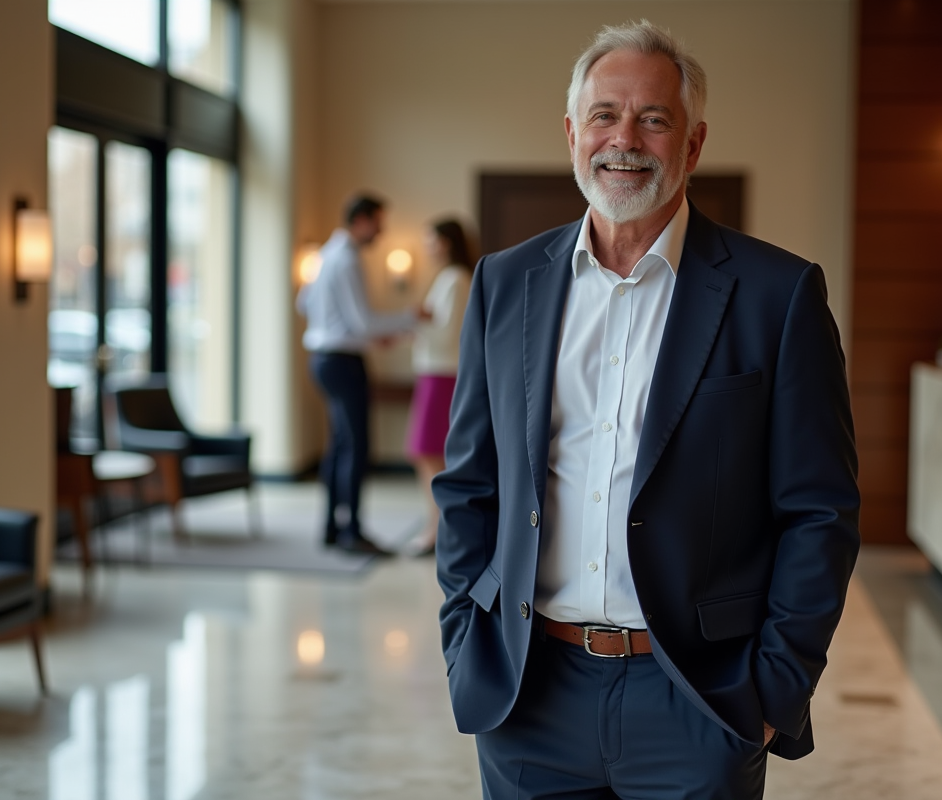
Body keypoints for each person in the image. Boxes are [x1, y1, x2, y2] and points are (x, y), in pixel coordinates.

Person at [434, 20, 860, 800]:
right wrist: (467, 641)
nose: (623, 138)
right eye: (604, 114)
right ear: (571, 133)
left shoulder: (779, 296)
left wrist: (771, 690)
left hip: (698, 699)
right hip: (529, 696)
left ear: (692, 145)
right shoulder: (505, 283)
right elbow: (470, 483)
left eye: (653, 119)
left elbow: (820, 512)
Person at [298, 193, 415, 555]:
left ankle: (332, 527)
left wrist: (360, 334)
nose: (380, 231)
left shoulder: (323, 255)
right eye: (378, 223)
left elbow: (303, 303)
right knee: (356, 446)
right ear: (361, 220)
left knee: (339, 445)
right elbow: (362, 320)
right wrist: (412, 317)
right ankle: (352, 532)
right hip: (343, 362)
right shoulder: (347, 259)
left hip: (321, 358)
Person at [404, 219, 474, 557]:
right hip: (434, 372)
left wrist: (419, 319)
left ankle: (437, 529)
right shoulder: (449, 278)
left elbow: (449, 333)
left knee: (429, 452)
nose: (428, 248)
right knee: (427, 452)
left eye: (430, 241)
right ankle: (435, 526)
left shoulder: (457, 279)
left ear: (445, 242)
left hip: (443, 373)